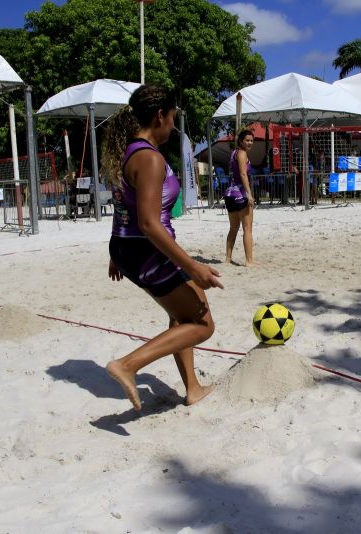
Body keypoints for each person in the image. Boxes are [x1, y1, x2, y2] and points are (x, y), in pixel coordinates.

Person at [100, 84, 222, 411]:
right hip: (147, 250)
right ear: (159, 116)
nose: (173, 124)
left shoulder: (130, 151)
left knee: (179, 313)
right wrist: (194, 266)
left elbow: (124, 205)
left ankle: (192, 388)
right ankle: (127, 365)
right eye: (172, 117)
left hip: (129, 248)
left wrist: (117, 254)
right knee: (201, 323)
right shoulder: (149, 159)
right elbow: (150, 224)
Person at [224, 129, 257, 266]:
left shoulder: (234, 153)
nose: (249, 142)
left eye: (251, 140)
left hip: (230, 194)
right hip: (240, 194)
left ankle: (228, 258)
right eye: (247, 140)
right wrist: (249, 194)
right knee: (247, 229)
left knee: (233, 228)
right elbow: (243, 175)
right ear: (241, 141)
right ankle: (249, 261)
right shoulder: (242, 153)